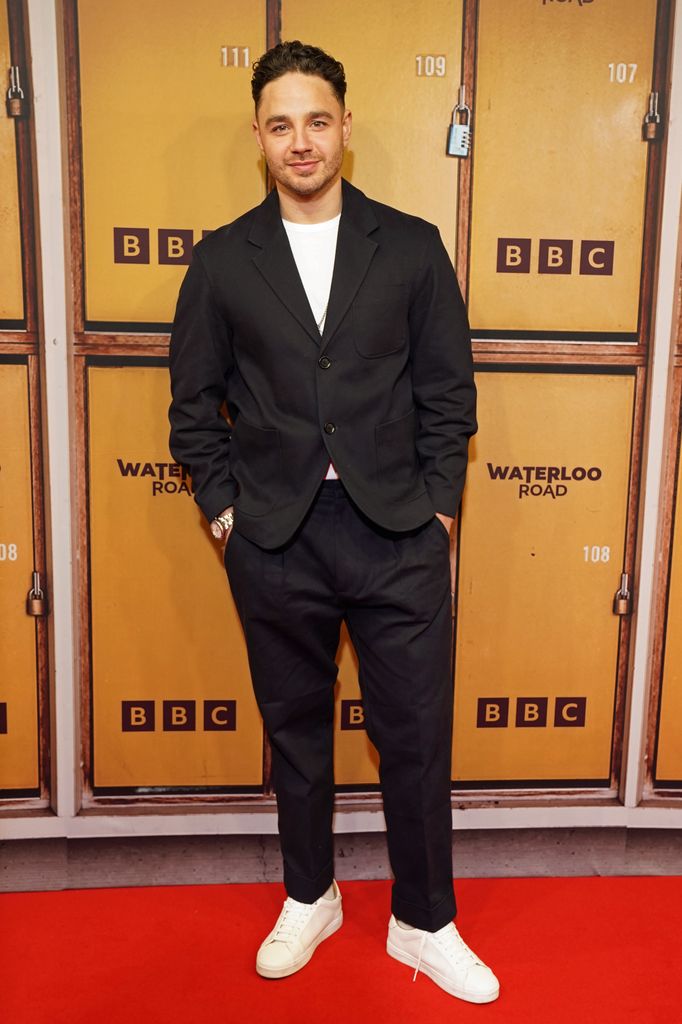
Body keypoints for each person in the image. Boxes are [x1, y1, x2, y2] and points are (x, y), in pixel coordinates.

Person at [168, 40, 499, 1005]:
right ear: (260, 139)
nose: (301, 141)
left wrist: (440, 512)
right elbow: (194, 409)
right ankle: (309, 896)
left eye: (317, 120)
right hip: (274, 538)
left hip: (398, 531)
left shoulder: (410, 245)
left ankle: (424, 920)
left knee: (416, 736)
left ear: (345, 126)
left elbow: (449, 391)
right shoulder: (225, 259)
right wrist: (225, 514)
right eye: (281, 125)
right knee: (297, 734)